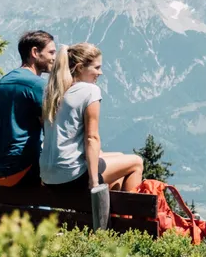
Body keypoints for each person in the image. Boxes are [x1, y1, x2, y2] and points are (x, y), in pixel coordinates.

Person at [40, 43, 143, 192]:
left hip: (48, 177)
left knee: (119, 157)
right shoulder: (89, 90)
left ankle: (112, 214)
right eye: (96, 68)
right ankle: (128, 214)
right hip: (72, 177)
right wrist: (94, 182)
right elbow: (91, 138)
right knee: (136, 162)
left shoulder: (53, 92)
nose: (100, 73)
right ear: (81, 67)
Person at [0, 30, 57, 187]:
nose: (54, 57)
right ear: (34, 52)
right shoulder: (36, 85)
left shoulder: (4, 81)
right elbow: (51, 130)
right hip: (21, 168)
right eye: (51, 52)